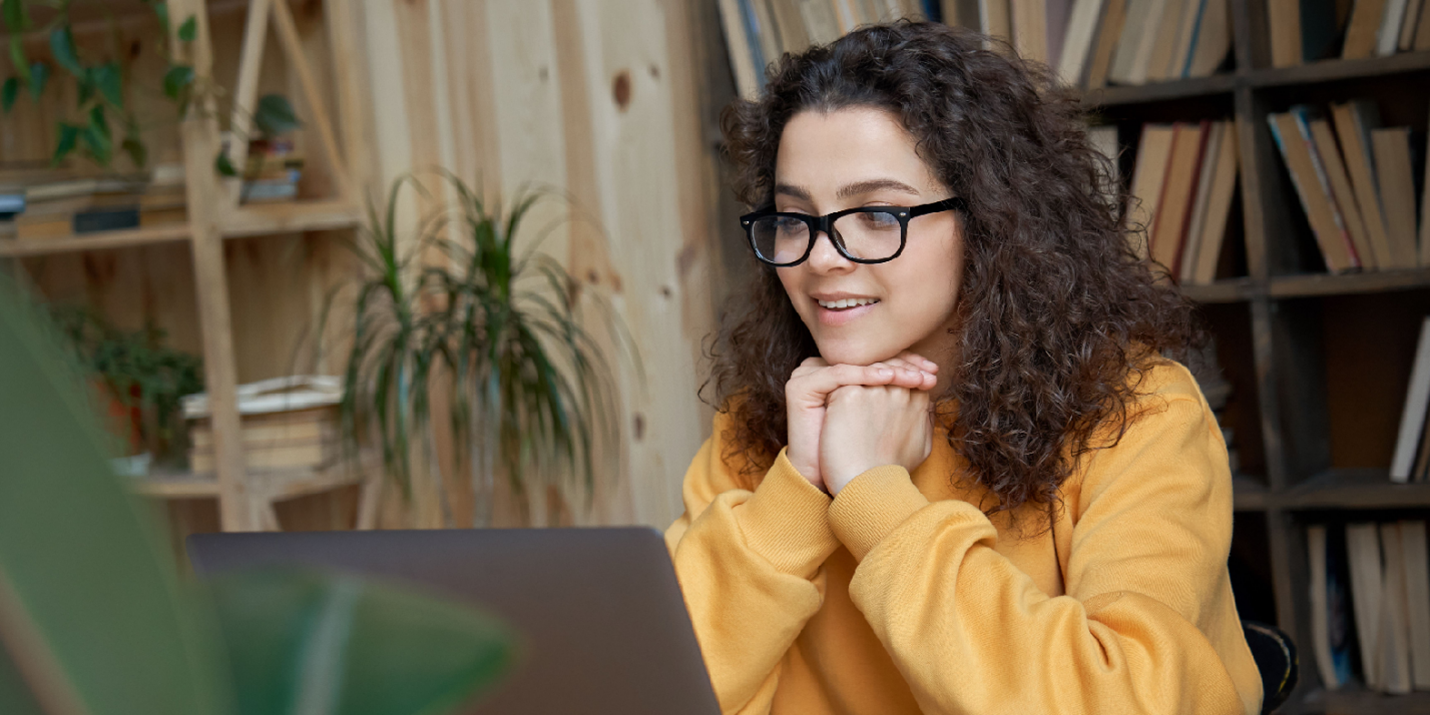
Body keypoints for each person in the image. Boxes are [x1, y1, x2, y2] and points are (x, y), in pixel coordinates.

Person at [664, 20, 1263, 715]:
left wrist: (875, 498)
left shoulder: (1137, 413)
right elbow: (651, 687)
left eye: (878, 214)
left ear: (988, 221)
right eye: (794, 218)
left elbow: (1127, 700)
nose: (822, 257)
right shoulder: (763, 426)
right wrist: (796, 491)